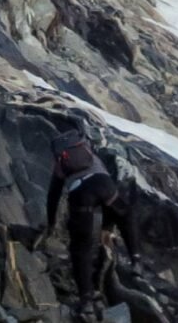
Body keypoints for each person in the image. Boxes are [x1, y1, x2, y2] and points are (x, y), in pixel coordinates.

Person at [34, 124, 140, 320]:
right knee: (125, 213)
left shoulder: (61, 165)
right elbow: (111, 192)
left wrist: (50, 224)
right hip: (104, 185)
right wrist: (108, 227)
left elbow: (53, 196)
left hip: (80, 195)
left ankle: (86, 302)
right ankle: (136, 260)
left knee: (80, 248)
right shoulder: (92, 155)